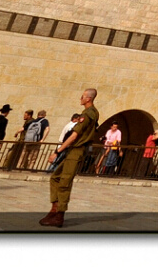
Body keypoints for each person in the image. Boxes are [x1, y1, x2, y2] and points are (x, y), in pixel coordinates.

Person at [40, 87, 100, 228]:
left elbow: (74, 135)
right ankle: (54, 209)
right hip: (73, 150)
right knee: (55, 177)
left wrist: (57, 151)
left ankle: (59, 214)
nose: (80, 98)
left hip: (77, 151)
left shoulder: (89, 113)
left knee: (64, 182)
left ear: (88, 99)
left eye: (82, 96)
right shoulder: (89, 112)